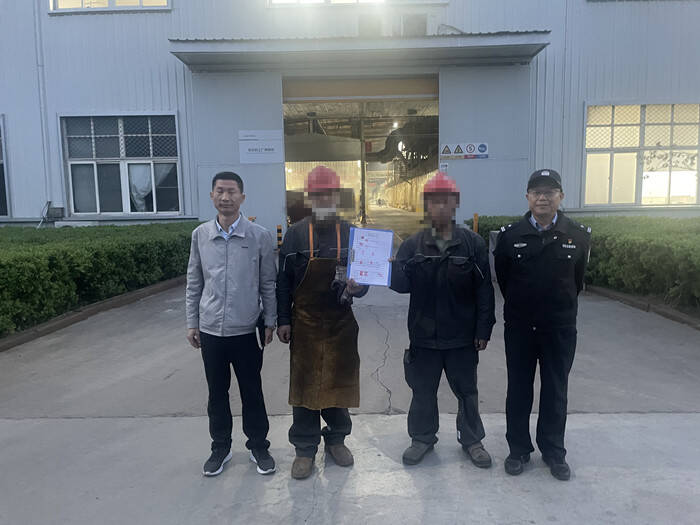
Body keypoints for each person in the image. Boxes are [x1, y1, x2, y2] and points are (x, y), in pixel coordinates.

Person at [390, 172, 496, 467]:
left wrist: (483, 329)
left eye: (445, 201)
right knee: (423, 392)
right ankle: (422, 438)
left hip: (462, 336)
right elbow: (401, 285)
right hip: (424, 336)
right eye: (433, 201)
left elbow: (484, 290)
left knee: (467, 392)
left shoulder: (472, 244)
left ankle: (472, 440)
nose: (439, 207)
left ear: (454, 204)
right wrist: (391, 269)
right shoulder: (413, 245)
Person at [493, 169, 591, 481]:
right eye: (536, 192)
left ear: (561, 196)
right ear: (527, 197)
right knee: (518, 389)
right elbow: (504, 280)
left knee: (555, 390)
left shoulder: (578, 235)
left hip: (559, 328)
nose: (543, 198)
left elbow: (577, 280)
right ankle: (518, 449)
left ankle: (553, 451)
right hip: (521, 328)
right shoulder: (510, 236)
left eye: (549, 192)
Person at [276, 165, 368, 480]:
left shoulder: (352, 234)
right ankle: (304, 448)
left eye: (329, 194)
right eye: (318, 194)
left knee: (337, 385)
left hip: (341, 321)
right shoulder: (296, 234)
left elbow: (364, 279)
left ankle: (337, 439)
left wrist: (358, 288)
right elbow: (283, 282)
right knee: (305, 388)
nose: (324, 199)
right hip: (304, 324)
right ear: (310, 198)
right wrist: (283, 319)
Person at [186, 171, 277, 477]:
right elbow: (194, 282)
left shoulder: (259, 236)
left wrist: (270, 320)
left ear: (242, 197)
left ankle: (259, 446)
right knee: (217, 393)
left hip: (247, 331)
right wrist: (192, 322)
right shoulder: (200, 235)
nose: (226, 197)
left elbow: (268, 282)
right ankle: (220, 448)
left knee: (252, 391)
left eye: (232, 191)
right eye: (220, 191)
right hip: (211, 330)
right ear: (212, 196)